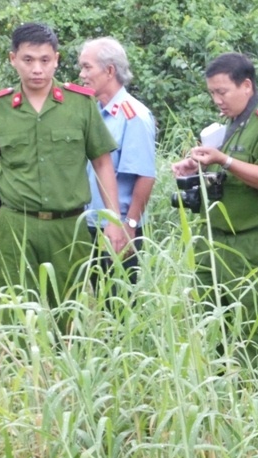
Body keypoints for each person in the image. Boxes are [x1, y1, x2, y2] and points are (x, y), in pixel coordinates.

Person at [0, 22, 131, 328]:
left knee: (69, 316)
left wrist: (113, 220)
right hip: (15, 226)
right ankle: (23, 359)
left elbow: (103, 163)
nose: (37, 69)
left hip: (68, 228)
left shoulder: (80, 104)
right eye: (28, 60)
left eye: (45, 60)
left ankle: (65, 359)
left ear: (56, 60)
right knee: (18, 315)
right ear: (13, 59)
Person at [170, 53, 258, 354]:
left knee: (252, 331)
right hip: (212, 239)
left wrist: (224, 160)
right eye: (212, 93)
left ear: (246, 86)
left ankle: (257, 383)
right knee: (211, 326)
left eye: (222, 92)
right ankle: (219, 382)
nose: (217, 100)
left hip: (248, 243)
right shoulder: (232, 122)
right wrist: (196, 165)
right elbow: (225, 170)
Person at [77, 36, 156, 297]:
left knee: (119, 306)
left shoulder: (133, 116)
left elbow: (145, 176)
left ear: (109, 70)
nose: (82, 74)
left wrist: (128, 225)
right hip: (91, 222)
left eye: (87, 67)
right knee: (99, 300)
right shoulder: (94, 113)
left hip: (118, 227)